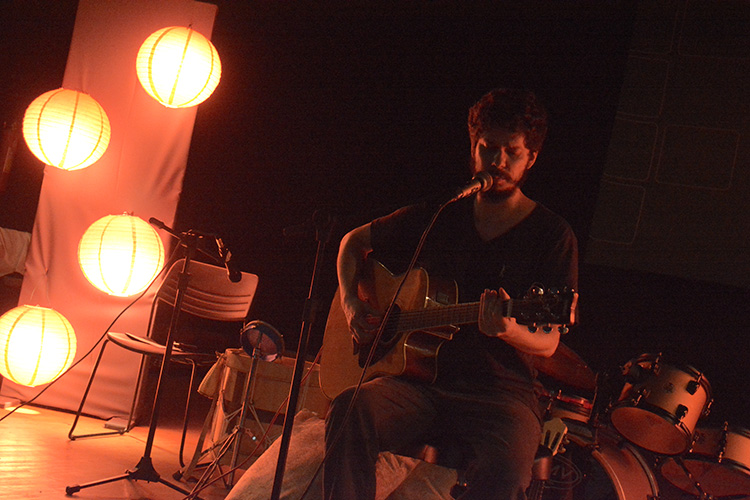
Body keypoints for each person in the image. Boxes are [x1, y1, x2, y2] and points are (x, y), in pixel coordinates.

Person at [323, 88, 579, 499]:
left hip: (500, 395)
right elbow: (353, 242)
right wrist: (353, 305)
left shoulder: (552, 235)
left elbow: (549, 342)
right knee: (351, 410)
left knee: (508, 472)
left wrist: (508, 331)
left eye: (511, 152)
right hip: (420, 385)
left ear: (531, 158)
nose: (497, 162)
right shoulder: (443, 212)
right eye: (487, 148)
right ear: (473, 148)